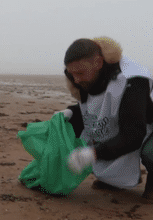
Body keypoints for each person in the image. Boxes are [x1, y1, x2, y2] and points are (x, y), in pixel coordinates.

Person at [56, 37, 153, 202]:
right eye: (72, 74)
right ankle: (113, 180)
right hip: (127, 121)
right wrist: (70, 112)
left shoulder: (133, 80)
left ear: (99, 63)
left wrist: (93, 153)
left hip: (146, 124)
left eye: (80, 74)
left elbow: (133, 134)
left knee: (150, 152)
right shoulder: (84, 77)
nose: (76, 80)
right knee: (91, 132)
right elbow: (92, 108)